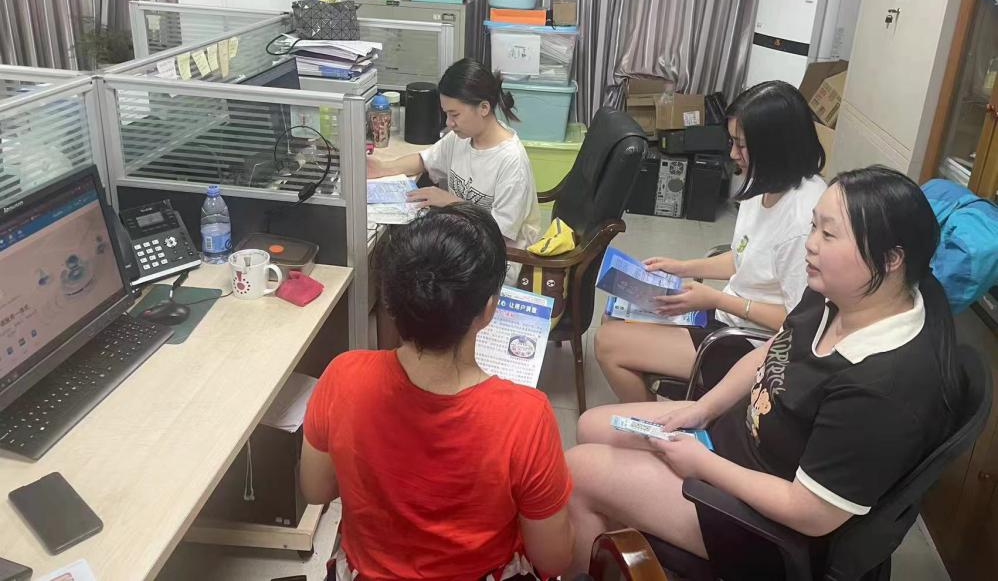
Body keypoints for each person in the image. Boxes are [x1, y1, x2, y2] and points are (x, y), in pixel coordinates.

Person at [565, 166, 963, 573]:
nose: (810, 244)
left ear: (891, 259)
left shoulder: (883, 390)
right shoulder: (842, 291)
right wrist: (702, 408)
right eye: (813, 227)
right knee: (592, 426)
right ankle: (622, 543)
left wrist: (702, 465)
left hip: (767, 526)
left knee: (578, 472)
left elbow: (810, 512)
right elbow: (774, 350)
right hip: (734, 442)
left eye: (828, 235)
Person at [300, 203, 573, 580]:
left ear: (391, 303)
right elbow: (553, 560)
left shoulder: (343, 376)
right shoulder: (526, 416)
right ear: (488, 310)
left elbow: (315, 490)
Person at [596, 81, 827, 402]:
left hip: (753, 343)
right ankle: (660, 416)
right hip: (729, 314)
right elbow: (743, 258)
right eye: (732, 142)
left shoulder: (804, 219)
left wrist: (715, 300)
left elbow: (797, 321)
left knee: (608, 343)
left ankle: (655, 424)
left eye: (742, 145)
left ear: (774, 146)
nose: (733, 154)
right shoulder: (764, 182)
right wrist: (681, 267)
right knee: (616, 315)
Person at [367, 58, 541, 283]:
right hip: (463, 241)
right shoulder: (462, 137)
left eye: (455, 114)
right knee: (400, 264)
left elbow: (498, 232)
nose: (449, 123)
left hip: (495, 260)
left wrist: (450, 202)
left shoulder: (511, 161)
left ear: (484, 108)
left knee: (410, 273)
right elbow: (424, 160)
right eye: (446, 114)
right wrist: (383, 168)